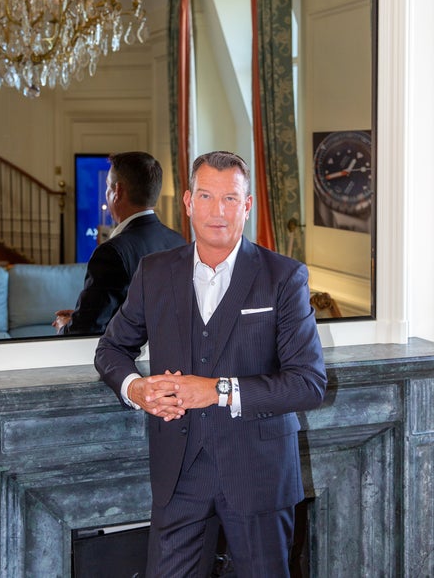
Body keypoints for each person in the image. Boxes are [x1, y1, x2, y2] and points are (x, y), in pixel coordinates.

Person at [95, 150, 327, 577]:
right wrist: (135, 389)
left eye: (229, 198)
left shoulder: (284, 276)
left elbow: (308, 383)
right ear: (188, 202)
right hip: (179, 473)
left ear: (247, 205)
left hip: (258, 472)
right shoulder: (154, 272)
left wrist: (218, 390)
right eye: (205, 196)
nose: (217, 211)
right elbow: (110, 349)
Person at [53, 151, 185, 335]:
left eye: (108, 186)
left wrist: (63, 327)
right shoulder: (179, 242)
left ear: (118, 191)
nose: (106, 193)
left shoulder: (110, 253)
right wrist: (81, 315)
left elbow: (85, 330)